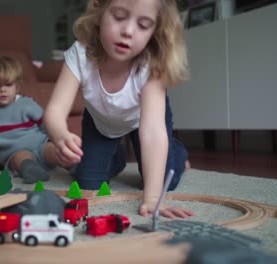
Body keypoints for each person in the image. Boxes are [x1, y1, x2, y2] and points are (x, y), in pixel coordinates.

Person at [44, 0, 194, 219]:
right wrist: (60, 135)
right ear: (99, 10)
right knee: (88, 185)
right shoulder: (79, 54)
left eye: (143, 25)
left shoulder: (151, 63)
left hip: (144, 120)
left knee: (162, 183)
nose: (128, 31)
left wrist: (152, 199)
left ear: (155, 30)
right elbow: (54, 111)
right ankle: (115, 155)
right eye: (119, 16)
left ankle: (177, 152)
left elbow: (152, 132)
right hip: (100, 124)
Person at [0, 55, 60, 183]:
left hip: (40, 147)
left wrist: (58, 142)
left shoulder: (27, 104)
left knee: (54, 150)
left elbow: (47, 125)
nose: (3, 90)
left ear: (17, 86)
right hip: (14, 154)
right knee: (20, 158)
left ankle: (77, 166)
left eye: (8, 85)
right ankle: (32, 172)